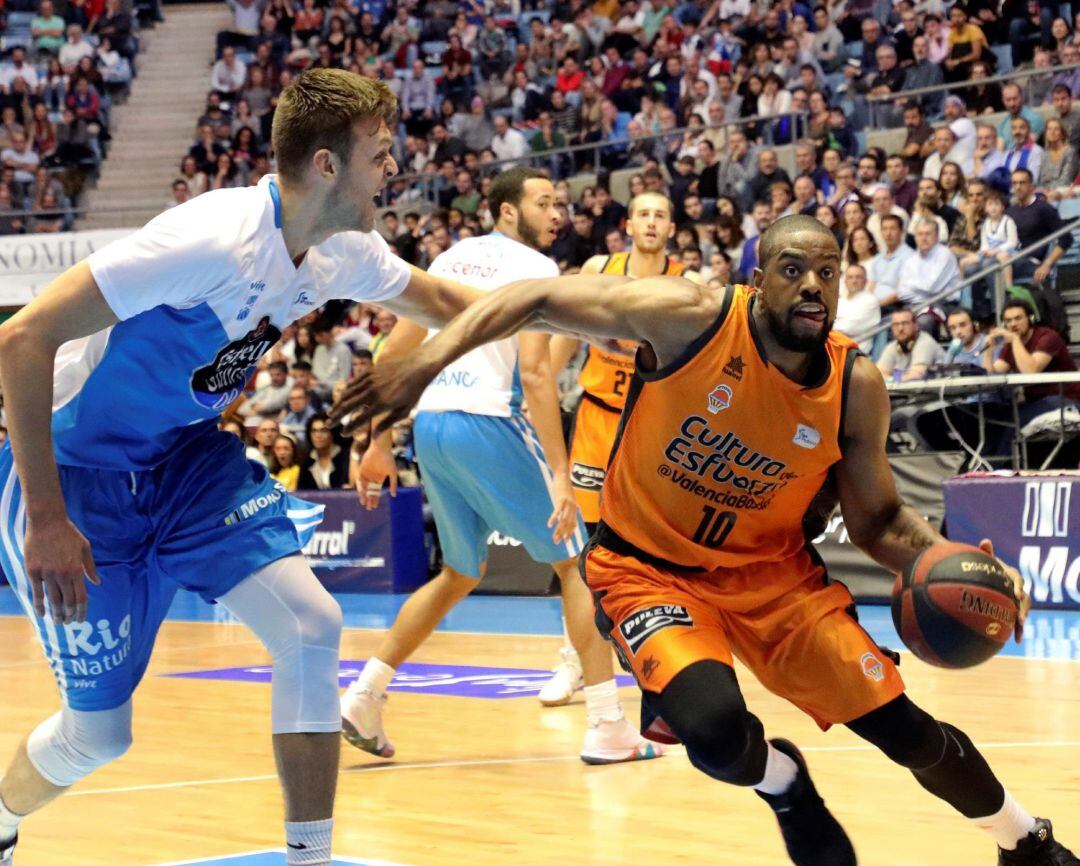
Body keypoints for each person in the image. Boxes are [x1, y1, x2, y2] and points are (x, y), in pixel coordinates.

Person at [330, 214, 1076, 866]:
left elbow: (881, 524)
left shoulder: (857, 383)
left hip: (775, 577)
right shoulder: (688, 314)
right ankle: (784, 782)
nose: (813, 285)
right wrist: (424, 362)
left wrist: (972, 567)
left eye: (828, 271)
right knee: (718, 737)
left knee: (903, 729)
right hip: (648, 572)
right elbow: (532, 298)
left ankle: (1025, 840)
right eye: (793, 270)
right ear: (757, 280)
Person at [0, 69, 488, 866]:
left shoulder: (342, 253)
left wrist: (586, 319)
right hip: (74, 471)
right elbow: (19, 339)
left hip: (186, 462)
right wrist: (48, 519)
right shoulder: (210, 238)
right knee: (97, 737)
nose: (396, 169)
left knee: (312, 624)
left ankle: (309, 856)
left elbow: (446, 303)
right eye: (382, 154)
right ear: (326, 167)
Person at [339, 168, 661, 766]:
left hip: (434, 424)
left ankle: (364, 694)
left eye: (560, 202)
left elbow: (393, 352)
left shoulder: (452, 257)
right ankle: (607, 723)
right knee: (579, 566)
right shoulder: (536, 270)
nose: (557, 212)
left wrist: (378, 443)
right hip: (492, 420)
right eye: (544, 203)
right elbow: (537, 374)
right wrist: (561, 474)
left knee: (460, 572)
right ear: (508, 212)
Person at [543, 191, 697, 705]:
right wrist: (538, 376)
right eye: (645, 214)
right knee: (582, 550)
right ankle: (575, 661)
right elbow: (562, 335)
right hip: (596, 419)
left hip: (653, 425)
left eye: (661, 214)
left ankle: (671, 659)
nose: (652, 222)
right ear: (628, 225)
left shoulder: (686, 283)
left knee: (656, 546)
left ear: (671, 228)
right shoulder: (598, 267)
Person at [876, 307, 945, 381]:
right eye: (896, 324)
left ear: (916, 325)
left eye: (905, 323)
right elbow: (877, 375)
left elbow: (916, 375)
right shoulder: (892, 346)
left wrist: (890, 380)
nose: (900, 328)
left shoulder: (925, 342)